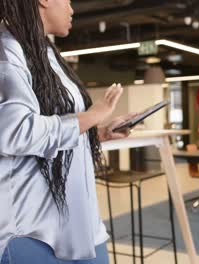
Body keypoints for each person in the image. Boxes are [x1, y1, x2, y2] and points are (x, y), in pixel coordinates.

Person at [0, 0, 136, 263]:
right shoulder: (7, 49)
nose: (73, 9)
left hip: (81, 225)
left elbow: (60, 127)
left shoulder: (47, 52)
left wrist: (100, 131)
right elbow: (14, 130)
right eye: (69, 0)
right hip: (31, 232)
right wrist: (93, 115)